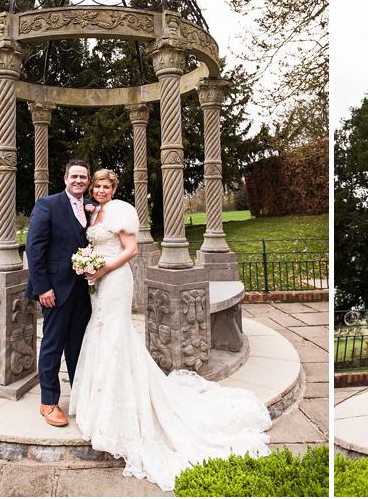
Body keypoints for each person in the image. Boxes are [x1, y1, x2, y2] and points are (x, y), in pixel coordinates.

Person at [69, 169, 271, 491]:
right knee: (100, 332)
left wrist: (104, 267)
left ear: (114, 188)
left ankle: (120, 407)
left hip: (116, 279)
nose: (102, 190)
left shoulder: (121, 211)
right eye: (98, 186)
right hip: (99, 283)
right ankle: (100, 401)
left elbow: (130, 250)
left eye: (107, 186)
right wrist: (89, 267)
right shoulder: (94, 213)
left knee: (116, 335)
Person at [25, 160, 97, 427]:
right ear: (65, 178)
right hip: (54, 289)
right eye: (74, 176)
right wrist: (43, 286)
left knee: (78, 345)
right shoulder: (48, 205)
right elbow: (34, 249)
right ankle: (48, 402)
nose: (79, 181)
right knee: (53, 345)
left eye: (83, 177)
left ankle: (78, 398)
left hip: (83, 290)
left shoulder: (92, 207)